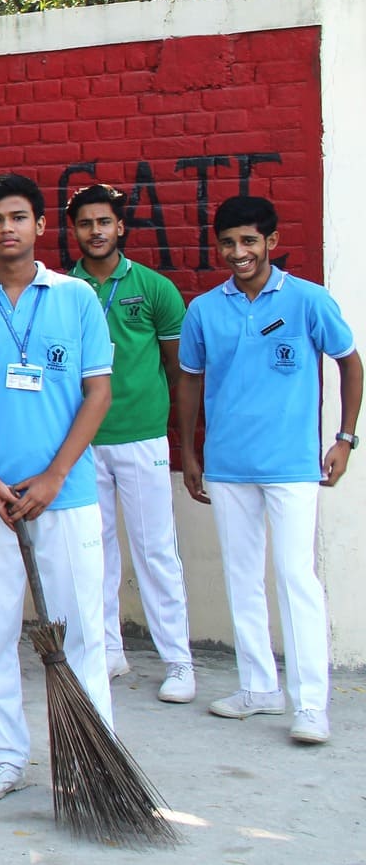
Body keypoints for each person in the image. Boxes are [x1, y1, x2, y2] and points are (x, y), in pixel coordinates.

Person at [0, 174, 114, 804]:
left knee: (82, 632)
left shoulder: (76, 297)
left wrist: (56, 474)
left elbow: (98, 393)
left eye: (18, 217)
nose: (7, 228)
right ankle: (6, 757)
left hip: (66, 494)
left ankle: (93, 764)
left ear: (39, 225)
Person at [178, 195, 361, 744]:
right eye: (228, 243)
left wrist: (345, 439)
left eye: (249, 241)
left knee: (295, 577)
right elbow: (190, 379)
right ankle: (258, 688)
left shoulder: (308, 300)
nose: (239, 252)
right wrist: (189, 451)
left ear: (271, 242)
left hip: (292, 465)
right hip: (229, 464)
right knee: (242, 578)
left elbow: (350, 363)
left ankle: (310, 704)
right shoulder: (204, 310)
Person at [65, 184, 196, 703]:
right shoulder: (63, 290)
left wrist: (180, 439)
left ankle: (178, 661)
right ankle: (107, 651)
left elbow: (178, 368)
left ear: (120, 227)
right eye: (85, 223)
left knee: (155, 549)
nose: (95, 231)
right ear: (74, 231)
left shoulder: (154, 287)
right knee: (93, 551)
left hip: (142, 436)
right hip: (83, 440)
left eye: (104, 222)